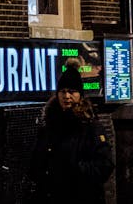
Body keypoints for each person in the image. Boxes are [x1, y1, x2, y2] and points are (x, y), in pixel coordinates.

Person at [27, 62, 114, 204]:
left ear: (80, 95)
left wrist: (74, 167)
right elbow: (36, 163)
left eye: (72, 91)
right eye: (63, 91)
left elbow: (104, 165)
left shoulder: (91, 126)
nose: (67, 96)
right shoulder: (49, 125)